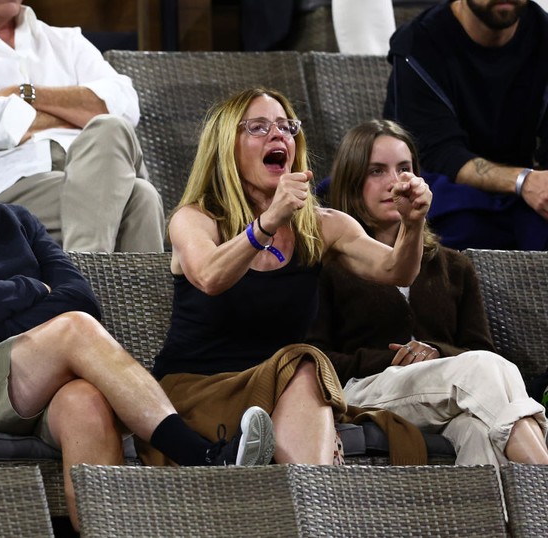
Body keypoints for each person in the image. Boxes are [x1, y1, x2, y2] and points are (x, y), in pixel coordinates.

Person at [0, 90, 275, 530]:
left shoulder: (14, 221)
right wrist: (29, 289)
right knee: (72, 330)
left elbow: (78, 296)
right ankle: (197, 454)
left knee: (86, 401)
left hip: (23, 381)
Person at [138, 87, 434, 467]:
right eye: (258, 127)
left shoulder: (323, 226)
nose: (278, 135)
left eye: (285, 127)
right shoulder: (195, 219)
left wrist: (412, 223)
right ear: (227, 147)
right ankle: (318, 502)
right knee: (305, 362)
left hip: (284, 385)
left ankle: (312, 505)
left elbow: (398, 269)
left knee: (303, 364)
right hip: (199, 389)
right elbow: (210, 276)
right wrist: (266, 223)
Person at [307, 118, 548, 466]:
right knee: (483, 370)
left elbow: (479, 349)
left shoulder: (453, 265)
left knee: (478, 431)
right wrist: (393, 358)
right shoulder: (330, 263)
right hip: (365, 391)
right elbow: (315, 358)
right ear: (352, 181)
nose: (395, 182)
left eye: (404, 169)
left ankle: (499, 519)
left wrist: (435, 352)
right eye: (377, 171)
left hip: (450, 392)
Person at [0, 0, 164, 253]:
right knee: (141, 197)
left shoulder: (66, 41)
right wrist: (77, 112)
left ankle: (83, 282)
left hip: (99, 168)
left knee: (111, 131)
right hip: (10, 186)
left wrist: (26, 94)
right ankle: (91, 281)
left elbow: (125, 105)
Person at [384, 0, 548, 250]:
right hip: (438, 191)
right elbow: (440, 155)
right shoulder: (420, 44)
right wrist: (523, 181)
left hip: (523, 192)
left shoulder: (542, 33)